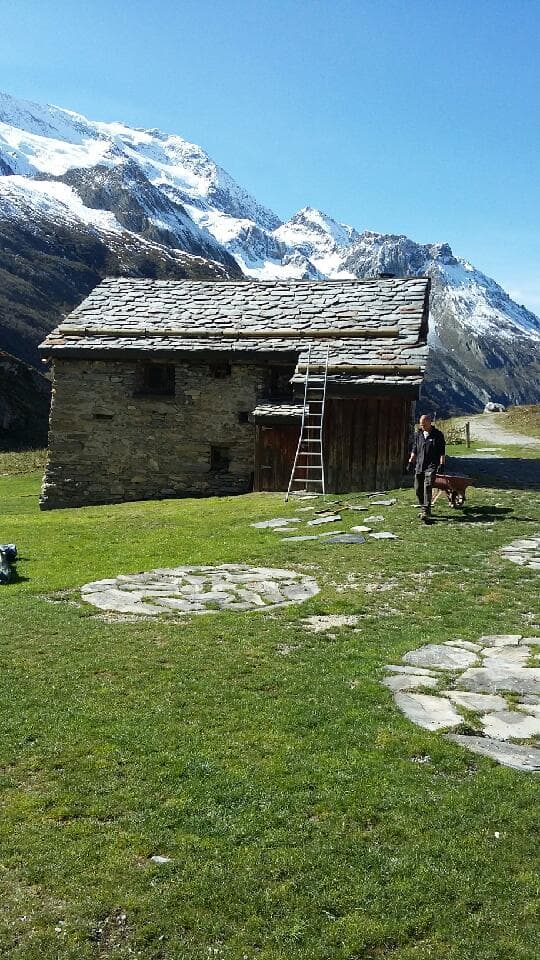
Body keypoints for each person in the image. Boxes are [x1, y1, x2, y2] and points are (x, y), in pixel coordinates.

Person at [408, 415, 446, 523]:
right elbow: (414, 450)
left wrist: (442, 464)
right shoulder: (418, 434)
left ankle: (425, 510)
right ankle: (424, 507)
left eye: (424, 424)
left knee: (428, 486)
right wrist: (411, 462)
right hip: (420, 465)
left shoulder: (438, 435)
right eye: (421, 424)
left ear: (430, 423)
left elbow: (442, 452)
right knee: (417, 488)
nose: (422, 426)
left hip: (432, 465)